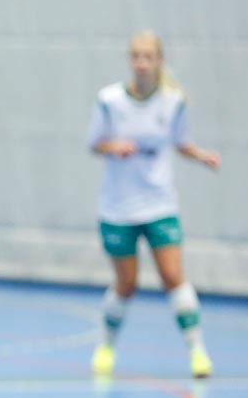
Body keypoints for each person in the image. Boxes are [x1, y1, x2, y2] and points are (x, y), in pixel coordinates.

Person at [86, 29, 221, 378]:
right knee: (126, 284)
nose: (142, 63)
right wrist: (113, 147)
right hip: (118, 208)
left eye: (148, 57)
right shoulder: (110, 101)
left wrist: (203, 156)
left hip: (159, 204)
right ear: (130, 61)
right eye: (136, 57)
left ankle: (197, 352)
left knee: (173, 275)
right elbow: (94, 143)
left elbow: (181, 141)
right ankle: (106, 347)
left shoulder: (173, 101)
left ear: (159, 61)